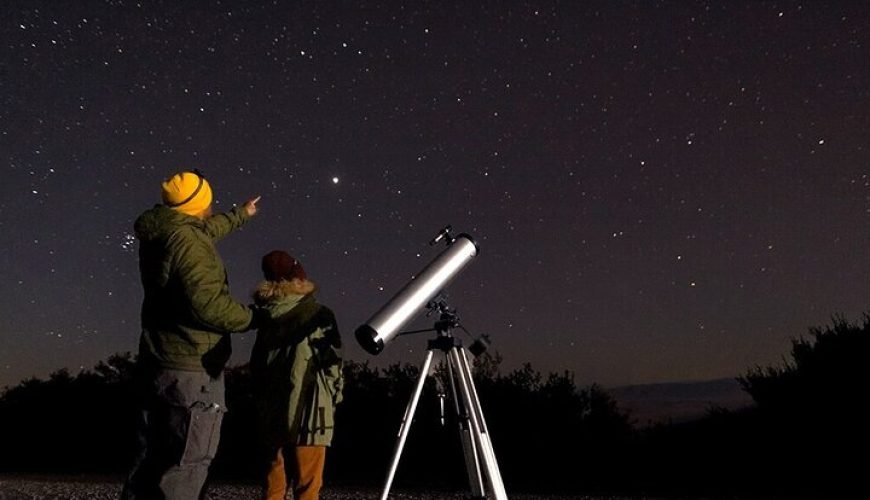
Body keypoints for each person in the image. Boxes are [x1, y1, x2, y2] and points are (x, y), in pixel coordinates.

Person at [121, 169, 262, 500]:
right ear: (199, 202)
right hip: (192, 368)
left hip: (159, 361)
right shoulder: (188, 242)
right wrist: (257, 317)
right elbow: (209, 307)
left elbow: (205, 230)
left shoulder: (166, 231)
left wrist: (241, 215)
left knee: (151, 459)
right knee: (189, 463)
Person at [250, 250, 344, 500]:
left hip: (272, 413)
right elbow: (331, 363)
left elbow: (257, 365)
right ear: (298, 277)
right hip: (312, 413)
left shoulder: (265, 315)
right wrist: (335, 396)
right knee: (308, 488)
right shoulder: (318, 313)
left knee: (273, 487)